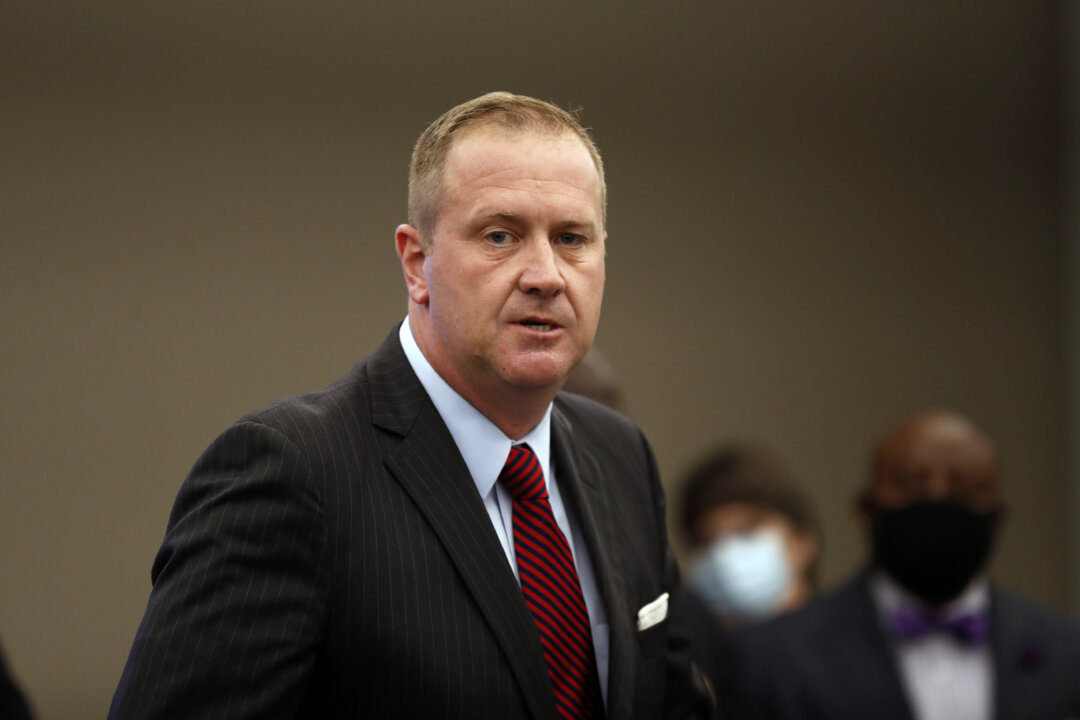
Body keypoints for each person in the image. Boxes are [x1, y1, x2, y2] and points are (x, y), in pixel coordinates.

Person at [109, 92, 709, 720]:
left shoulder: (621, 458)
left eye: (571, 238)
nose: (546, 274)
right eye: (500, 235)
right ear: (417, 264)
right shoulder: (294, 472)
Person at [717, 408, 1080, 720]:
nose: (937, 500)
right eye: (910, 486)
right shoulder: (772, 660)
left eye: (962, 489)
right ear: (865, 509)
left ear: (997, 515)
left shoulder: (1067, 654)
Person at [675, 445, 820, 696]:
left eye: (745, 532)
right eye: (707, 543)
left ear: (802, 539)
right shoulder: (694, 683)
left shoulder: (858, 657)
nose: (725, 557)